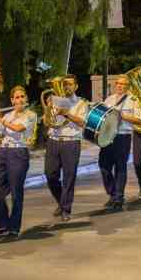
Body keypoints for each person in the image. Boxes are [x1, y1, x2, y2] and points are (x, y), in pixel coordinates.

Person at [0, 86, 36, 239]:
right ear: (12, 100)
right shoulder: (8, 115)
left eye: (22, 96)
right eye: (16, 97)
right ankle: (2, 225)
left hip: (18, 153)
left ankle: (14, 227)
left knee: (16, 192)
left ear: (26, 99)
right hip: (2, 152)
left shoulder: (30, 115)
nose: (20, 100)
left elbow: (18, 128)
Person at [45, 75, 89, 223]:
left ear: (76, 86)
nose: (66, 87)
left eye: (70, 84)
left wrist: (67, 114)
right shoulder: (55, 100)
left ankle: (65, 208)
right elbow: (47, 122)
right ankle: (61, 201)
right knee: (50, 175)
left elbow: (83, 123)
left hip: (71, 141)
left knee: (69, 178)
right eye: (64, 84)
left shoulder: (81, 103)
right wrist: (48, 108)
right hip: (53, 140)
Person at [95, 74, 141, 212]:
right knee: (103, 165)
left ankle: (119, 197)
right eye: (118, 84)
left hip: (122, 136)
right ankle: (113, 193)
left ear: (128, 87)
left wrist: (124, 116)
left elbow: (139, 119)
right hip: (108, 136)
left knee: (120, 167)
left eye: (123, 84)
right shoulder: (109, 99)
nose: (120, 86)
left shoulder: (133, 100)